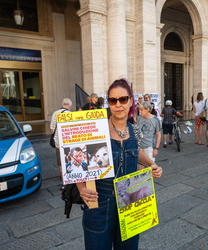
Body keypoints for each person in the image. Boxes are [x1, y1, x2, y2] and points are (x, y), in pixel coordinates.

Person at [76, 78, 163, 249]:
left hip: (130, 201)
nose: (118, 104)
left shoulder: (133, 129)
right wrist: (81, 189)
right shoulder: (95, 129)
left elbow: (135, 151)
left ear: (130, 101)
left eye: (123, 99)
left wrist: (151, 164)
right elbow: (77, 162)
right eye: (113, 100)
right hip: (99, 203)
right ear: (108, 103)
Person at [50, 98, 73, 179]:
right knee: (69, 160)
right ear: (70, 106)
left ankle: (63, 179)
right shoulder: (71, 114)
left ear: (61, 104)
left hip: (58, 143)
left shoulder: (55, 113)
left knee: (60, 163)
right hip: (69, 142)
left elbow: (52, 130)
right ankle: (70, 176)